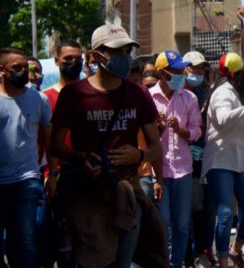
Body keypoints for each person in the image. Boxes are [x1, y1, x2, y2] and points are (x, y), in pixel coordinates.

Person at [49, 24, 167, 267]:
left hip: (127, 194)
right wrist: (82, 158)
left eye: (126, 50)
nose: (123, 57)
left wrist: (139, 155)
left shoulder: (138, 94)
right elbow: (55, 146)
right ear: (95, 56)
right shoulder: (73, 95)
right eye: (115, 51)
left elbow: (156, 147)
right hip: (87, 197)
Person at [201, 53, 244, 268]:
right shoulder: (222, 93)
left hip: (241, 161)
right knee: (225, 212)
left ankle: (236, 249)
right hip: (221, 160)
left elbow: (242, 129)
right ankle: (224, 261)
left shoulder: (239, 93)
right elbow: (224, 120)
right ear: (239, 73)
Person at [150, 50, 203, 268]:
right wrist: (160, 128)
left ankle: (177, 263)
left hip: (183, 169)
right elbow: (144, 136)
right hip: (158, 172)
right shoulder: (148, 98)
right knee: (163, 225)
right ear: (162, 73)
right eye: (176, 70)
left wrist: (180, 131)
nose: (182, 74)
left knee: (182, 225)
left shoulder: (189, 97)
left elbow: (196, 131)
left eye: (182, 69)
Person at [0, 47, 52, 268]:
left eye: (25, 67)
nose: (23, 72)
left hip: (27, 179)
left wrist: (53, 175)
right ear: (2, 70)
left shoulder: (39, 100)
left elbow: (47, 139)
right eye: (16, 68)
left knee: (25, 238)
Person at [40, 40, 84, 267]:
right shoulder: (45, 98)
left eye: (78, 58)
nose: (73, 63)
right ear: (57, 60)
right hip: (59, 176)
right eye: (68, 59)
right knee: (63, 240)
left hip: (89, 173)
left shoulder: (91, 94)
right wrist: (51, 174)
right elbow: (45, 143)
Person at [182, 51, 217, 268]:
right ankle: (186, 256)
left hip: (206, 157)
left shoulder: (208, 92)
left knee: (204, 209)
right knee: (187, 211)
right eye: (194, 68)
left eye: (202, 68)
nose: (198, 72)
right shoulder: (177, 93)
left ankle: (202, 251)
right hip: (181, 161)